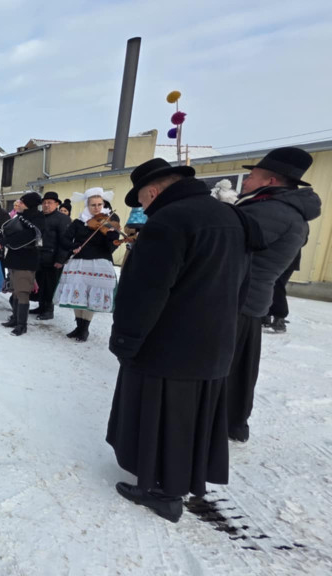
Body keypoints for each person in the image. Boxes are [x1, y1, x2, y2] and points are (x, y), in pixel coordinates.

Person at [106, 158, 255, 523]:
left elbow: (145, 291)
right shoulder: (231, 217)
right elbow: (243, 282)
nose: (143, 208)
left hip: (167, 343)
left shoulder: (168, 221)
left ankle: (162, 492)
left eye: (142, 200)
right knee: (189, 420)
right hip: (214, 340)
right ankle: (174, 485)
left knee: (160, 417)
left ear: (153, 191)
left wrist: (125, 341)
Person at [227, 147, 321, 442]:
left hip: (238, 297)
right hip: (248, 298)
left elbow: (227, 246)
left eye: (251, 176)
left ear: (270, 181)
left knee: (226, 367)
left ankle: (222, 423)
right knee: (238, 368)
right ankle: (232, 423)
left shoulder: (271, 211)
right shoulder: (277, 207)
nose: (245, 181)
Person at [55, 188, 120, 341]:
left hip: (100, 262)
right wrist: (73, 247)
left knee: (91, 296)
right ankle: (78, 327)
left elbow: (111, 247)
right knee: (78, 295)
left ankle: (84, 329)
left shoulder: (109, 222)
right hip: (79, 262)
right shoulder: (79, 222)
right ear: (87, 205)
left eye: (99, 204)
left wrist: (112, 236)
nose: (97, 208)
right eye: (93, 205)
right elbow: (64, 240)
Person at [0, 192, 43, 336]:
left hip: (27, 259)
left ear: (29, 204)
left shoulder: (38, 218)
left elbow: (28, 235)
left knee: (22, 292)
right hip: (14, 257)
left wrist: (7, 240)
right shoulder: (21, 216)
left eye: (22, 202)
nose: (19, 204)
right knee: (16, 291)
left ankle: (22, 325)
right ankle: (15, 319)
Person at [31, 191, 71, 320]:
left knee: (50, 285)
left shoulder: (62, 219)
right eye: (44, 202)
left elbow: (65, 241)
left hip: (53, 258)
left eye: (49, 202)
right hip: (38, 256)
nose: (46, 205)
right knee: (40, 283)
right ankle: (41, 306)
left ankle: (49, 309)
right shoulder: (39, 216)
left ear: (56, 204)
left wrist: (61, 259)